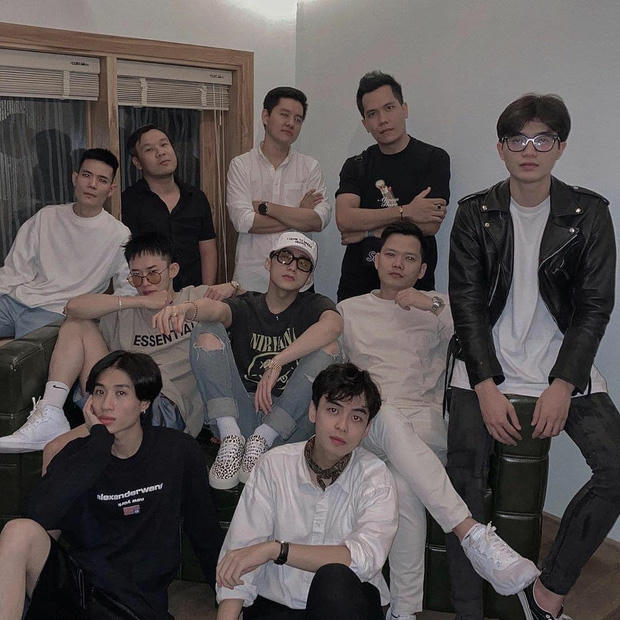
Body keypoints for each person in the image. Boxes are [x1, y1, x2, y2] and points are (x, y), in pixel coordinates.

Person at [447, 93, 619, 620]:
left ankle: (547, 593)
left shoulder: (589, 214)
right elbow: (466, 305)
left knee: (616, 469)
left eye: (543, 139)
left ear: (560, 147)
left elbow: (594, 307)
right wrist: (485, 386)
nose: (529, 150)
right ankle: (469, 609)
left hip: (561, 364)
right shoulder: (474, 214)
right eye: (518, 139)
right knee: (463, 484)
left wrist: (563, 384)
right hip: (483, 368)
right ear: (501, 148)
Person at [338, 221, 540, 620]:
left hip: (423, 426)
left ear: (423, 269)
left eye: (409, 258)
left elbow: (480, 330)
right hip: (371, 422)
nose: (398, 264)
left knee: (403, 488)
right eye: (390, 254)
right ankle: (471, 532)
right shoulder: (348, 310)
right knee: (385, 413)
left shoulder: (438, 306)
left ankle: (404, 611)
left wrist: (428, 304)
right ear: (376, 260)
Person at [0, 350, 223, 620]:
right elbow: (38, 515)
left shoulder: (177, 451)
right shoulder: (78, 454)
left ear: (144, 402)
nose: (106, 404)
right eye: (99, 392)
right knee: (18, 532)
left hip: (135, 607)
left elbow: (204, 531)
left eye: (120, 393)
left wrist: (228, 599)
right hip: (78, 593)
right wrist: (98, 444)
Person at [153, 231, 342, 489]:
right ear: (268, 263)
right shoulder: (247, 304)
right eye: (285, 257)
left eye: (303, 263)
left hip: (288, 421)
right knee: (207, 327)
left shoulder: (313, 305)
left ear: (308, 278)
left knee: (330, 346)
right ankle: (230, 438)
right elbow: (216, 310)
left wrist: (278, 361)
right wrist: (186, 309)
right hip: (240, 413)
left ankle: (264, 438)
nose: (292, 266)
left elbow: (333, 326)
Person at [215, 362, 398, 620]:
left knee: (334, 577)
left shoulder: (375, 476)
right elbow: (240, 559)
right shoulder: (274, 465)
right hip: (276, 607)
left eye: (356, 417)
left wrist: (276, 550)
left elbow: (364, 559)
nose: (342, 426)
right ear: (313, 411)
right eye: (333, 410)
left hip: (346, 607)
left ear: (366, 429)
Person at [0, 232, 208, 453]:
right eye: (136, 277)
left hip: (163, 408)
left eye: (153, 274)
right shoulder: (125, 311)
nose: (145, 282)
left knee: (58, 448)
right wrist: (140, 301)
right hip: (115, 401)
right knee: (76, 324)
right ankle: (51, 412)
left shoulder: (193, 299)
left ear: (172, 270)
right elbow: (73, 307)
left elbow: (230, 307)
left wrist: (228, 287)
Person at [335, 70, 450, 301]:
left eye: (389, 108)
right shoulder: (356, 165)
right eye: (372, 114)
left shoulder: (434, 158)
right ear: (365, 123)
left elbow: (429, 225)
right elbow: (345, 220)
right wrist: (407, 211)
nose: (383, 120)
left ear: (404, 109)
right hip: (358, 286)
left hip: (414, 289)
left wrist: (367, 231)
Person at [0, 148, 133, 339]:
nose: (92, 184)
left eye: (102, 180)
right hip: (15, 301)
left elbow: (128, 287)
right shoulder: (46, 216)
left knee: (22, 354)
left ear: (111, 190)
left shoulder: (119, 234)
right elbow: (15, 269)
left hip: (57, 312)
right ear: (75, 178)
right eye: (86, 175)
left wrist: (98, 313)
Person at [226, 86, 331, 292]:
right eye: (284, 115)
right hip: (252, 280)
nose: (291, 123)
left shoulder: (310, 167)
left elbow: (319, 220)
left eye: (298, 119)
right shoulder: (241, 165)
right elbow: (243, 221)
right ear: (266, 116)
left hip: (298, 280)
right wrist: (299, 214)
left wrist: (267, 208)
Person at [122, 124, 217, 290]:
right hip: (149, 294)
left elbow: (207, 250)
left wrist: (206, 292)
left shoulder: (196, 197)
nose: (161, 152)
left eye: (164, 144)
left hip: (193, 295)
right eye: (149, 149)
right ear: (137, 162)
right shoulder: (128, 201)